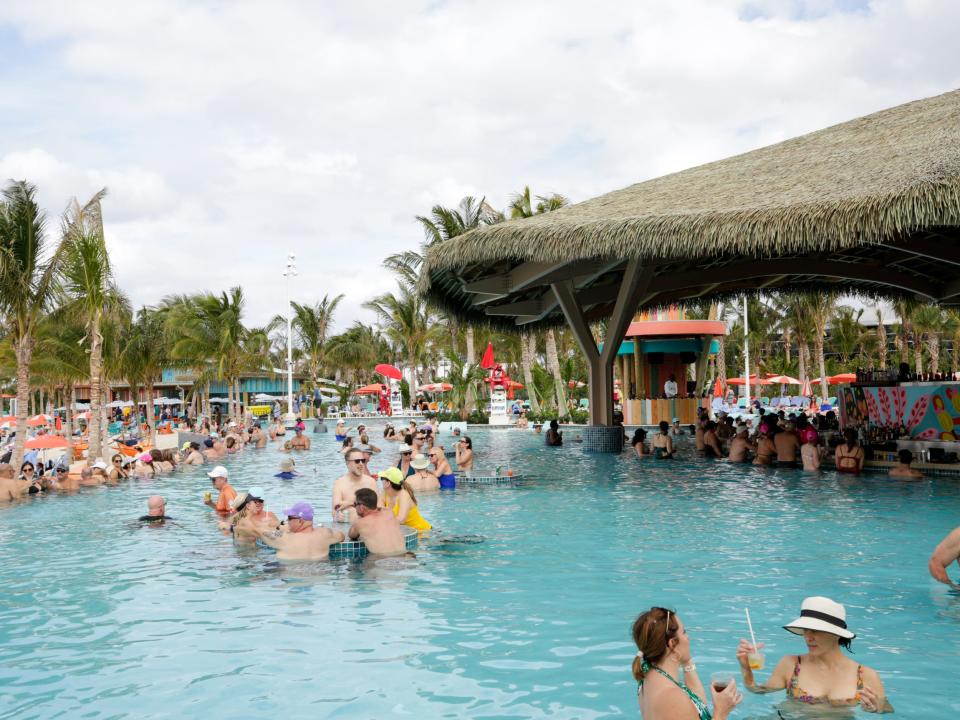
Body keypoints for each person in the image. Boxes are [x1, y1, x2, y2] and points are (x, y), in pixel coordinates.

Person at [736, 596, 889, 713]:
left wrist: (876, 708)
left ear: (837, 634)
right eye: (805, 630)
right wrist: (746, 668)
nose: (808, 637)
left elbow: (887, 710)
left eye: (816, 630)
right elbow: (757, 690)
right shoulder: (791, 664)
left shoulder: (866, 676)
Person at [632, 606, 739, 720]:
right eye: (684, 632)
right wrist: (721, 712)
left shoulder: (648, 674)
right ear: (672, 643)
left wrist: (685, 659)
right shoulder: (673, 698)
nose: (688, 638)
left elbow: (699, 706)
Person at [255, 502, 344, 561]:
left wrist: (283, 529)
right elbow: (341, 536)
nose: (287, 521)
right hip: (319, 575)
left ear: (300, 521)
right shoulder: (325, 533)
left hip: (292, 576)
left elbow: (258, 530)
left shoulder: (285, 538)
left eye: (289, 518)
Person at [347, 488, 407, 556]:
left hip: (383, 562)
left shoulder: (360, 523)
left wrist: (359, 516)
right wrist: (357, 505)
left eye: (355, 504)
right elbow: (376, 508)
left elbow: (352, 535)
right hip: (405, 556)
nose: (354, 507)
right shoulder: (389, 512)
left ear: (362, 507)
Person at [378, 467, 432, 531]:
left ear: (388, 483)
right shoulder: (384, 493)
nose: (381, 481)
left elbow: (401, 520)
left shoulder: (404, 495)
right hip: (408, 533)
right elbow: (378, 511)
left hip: (424, 532)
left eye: (382, 479)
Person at [332, 449, 379, 522]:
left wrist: (349, 503)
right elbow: (335, 509)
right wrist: (337, 516)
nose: (361, 464)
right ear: (347, 463)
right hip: (348, 528)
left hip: (368, 526)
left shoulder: (371, 482)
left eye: (362, 460)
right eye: (357, 461)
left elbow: (378, 508)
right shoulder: (339, 484)